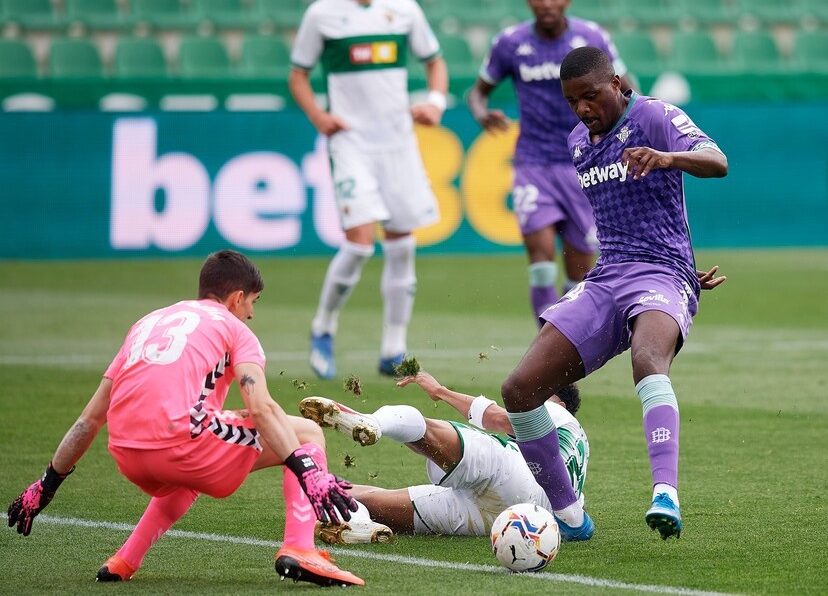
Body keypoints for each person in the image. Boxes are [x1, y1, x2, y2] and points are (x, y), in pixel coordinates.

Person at [6, 250, 364, 587]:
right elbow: (263, 408)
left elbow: (89, 419)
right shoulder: (236, 328)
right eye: (253, 302)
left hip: (127, 455)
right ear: (237, 298)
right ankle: (300, 548)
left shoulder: (146, 324)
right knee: (307, 433)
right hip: (184, 444)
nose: (252, 313)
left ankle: (124, 560)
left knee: (190, 454)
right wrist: (307, 471)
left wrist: (47, 483)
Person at [499, 46, 729, 542]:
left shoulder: (653, 115)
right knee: (519, 391)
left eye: (590, 96)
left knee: (648, 359)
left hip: (663, 275)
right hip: (608, 279)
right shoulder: (578, 142)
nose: (582, 108)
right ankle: (569, 518)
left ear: (617, 84)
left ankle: (665, 493)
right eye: (571, 101)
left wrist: (668, 157)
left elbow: (717, 161)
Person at [289, 0, 449, 379]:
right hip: (352, 143)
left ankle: (392, 349)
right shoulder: (322, 15)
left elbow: (434, 61)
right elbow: (297, 75)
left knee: (402, 247)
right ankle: (323, 327)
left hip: (398, 143)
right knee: (359, 245)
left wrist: (435, 102)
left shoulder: (402, 9)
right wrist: (321, 118)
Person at [468, 0, 636, 325]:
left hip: (587, 164)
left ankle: (567, 340)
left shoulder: (591, 37)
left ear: (566, 0)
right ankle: (546, 345)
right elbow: (478, 92)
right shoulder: (510, 43)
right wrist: (481, 113)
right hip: (534, 162)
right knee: (541, 259)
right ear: (530, 2)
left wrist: (632, 132)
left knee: (580, 271)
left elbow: (625, 89)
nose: (546, 3)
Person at [296, 369, 588, 538]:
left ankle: (373, 422)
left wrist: (441, 391)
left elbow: (498, 419)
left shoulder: (554, 413)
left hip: (515, 473)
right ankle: (328, 500)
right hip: (517, 519)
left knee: (427, 430)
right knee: (371, 501)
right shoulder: (579, 446)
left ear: (559, 405)